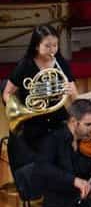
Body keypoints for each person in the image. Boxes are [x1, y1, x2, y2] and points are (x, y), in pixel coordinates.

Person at [3, 25, 78, 171]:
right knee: (45, 155)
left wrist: (70, 93)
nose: (52, 50)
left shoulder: (60, 62)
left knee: (68, 149)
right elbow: (7, 93)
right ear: (37, 46)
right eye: (47, 46)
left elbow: (75, 96)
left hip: (57, 116)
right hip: (33, 119)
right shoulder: (25, 64)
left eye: (55, 45)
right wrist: (17, 108)